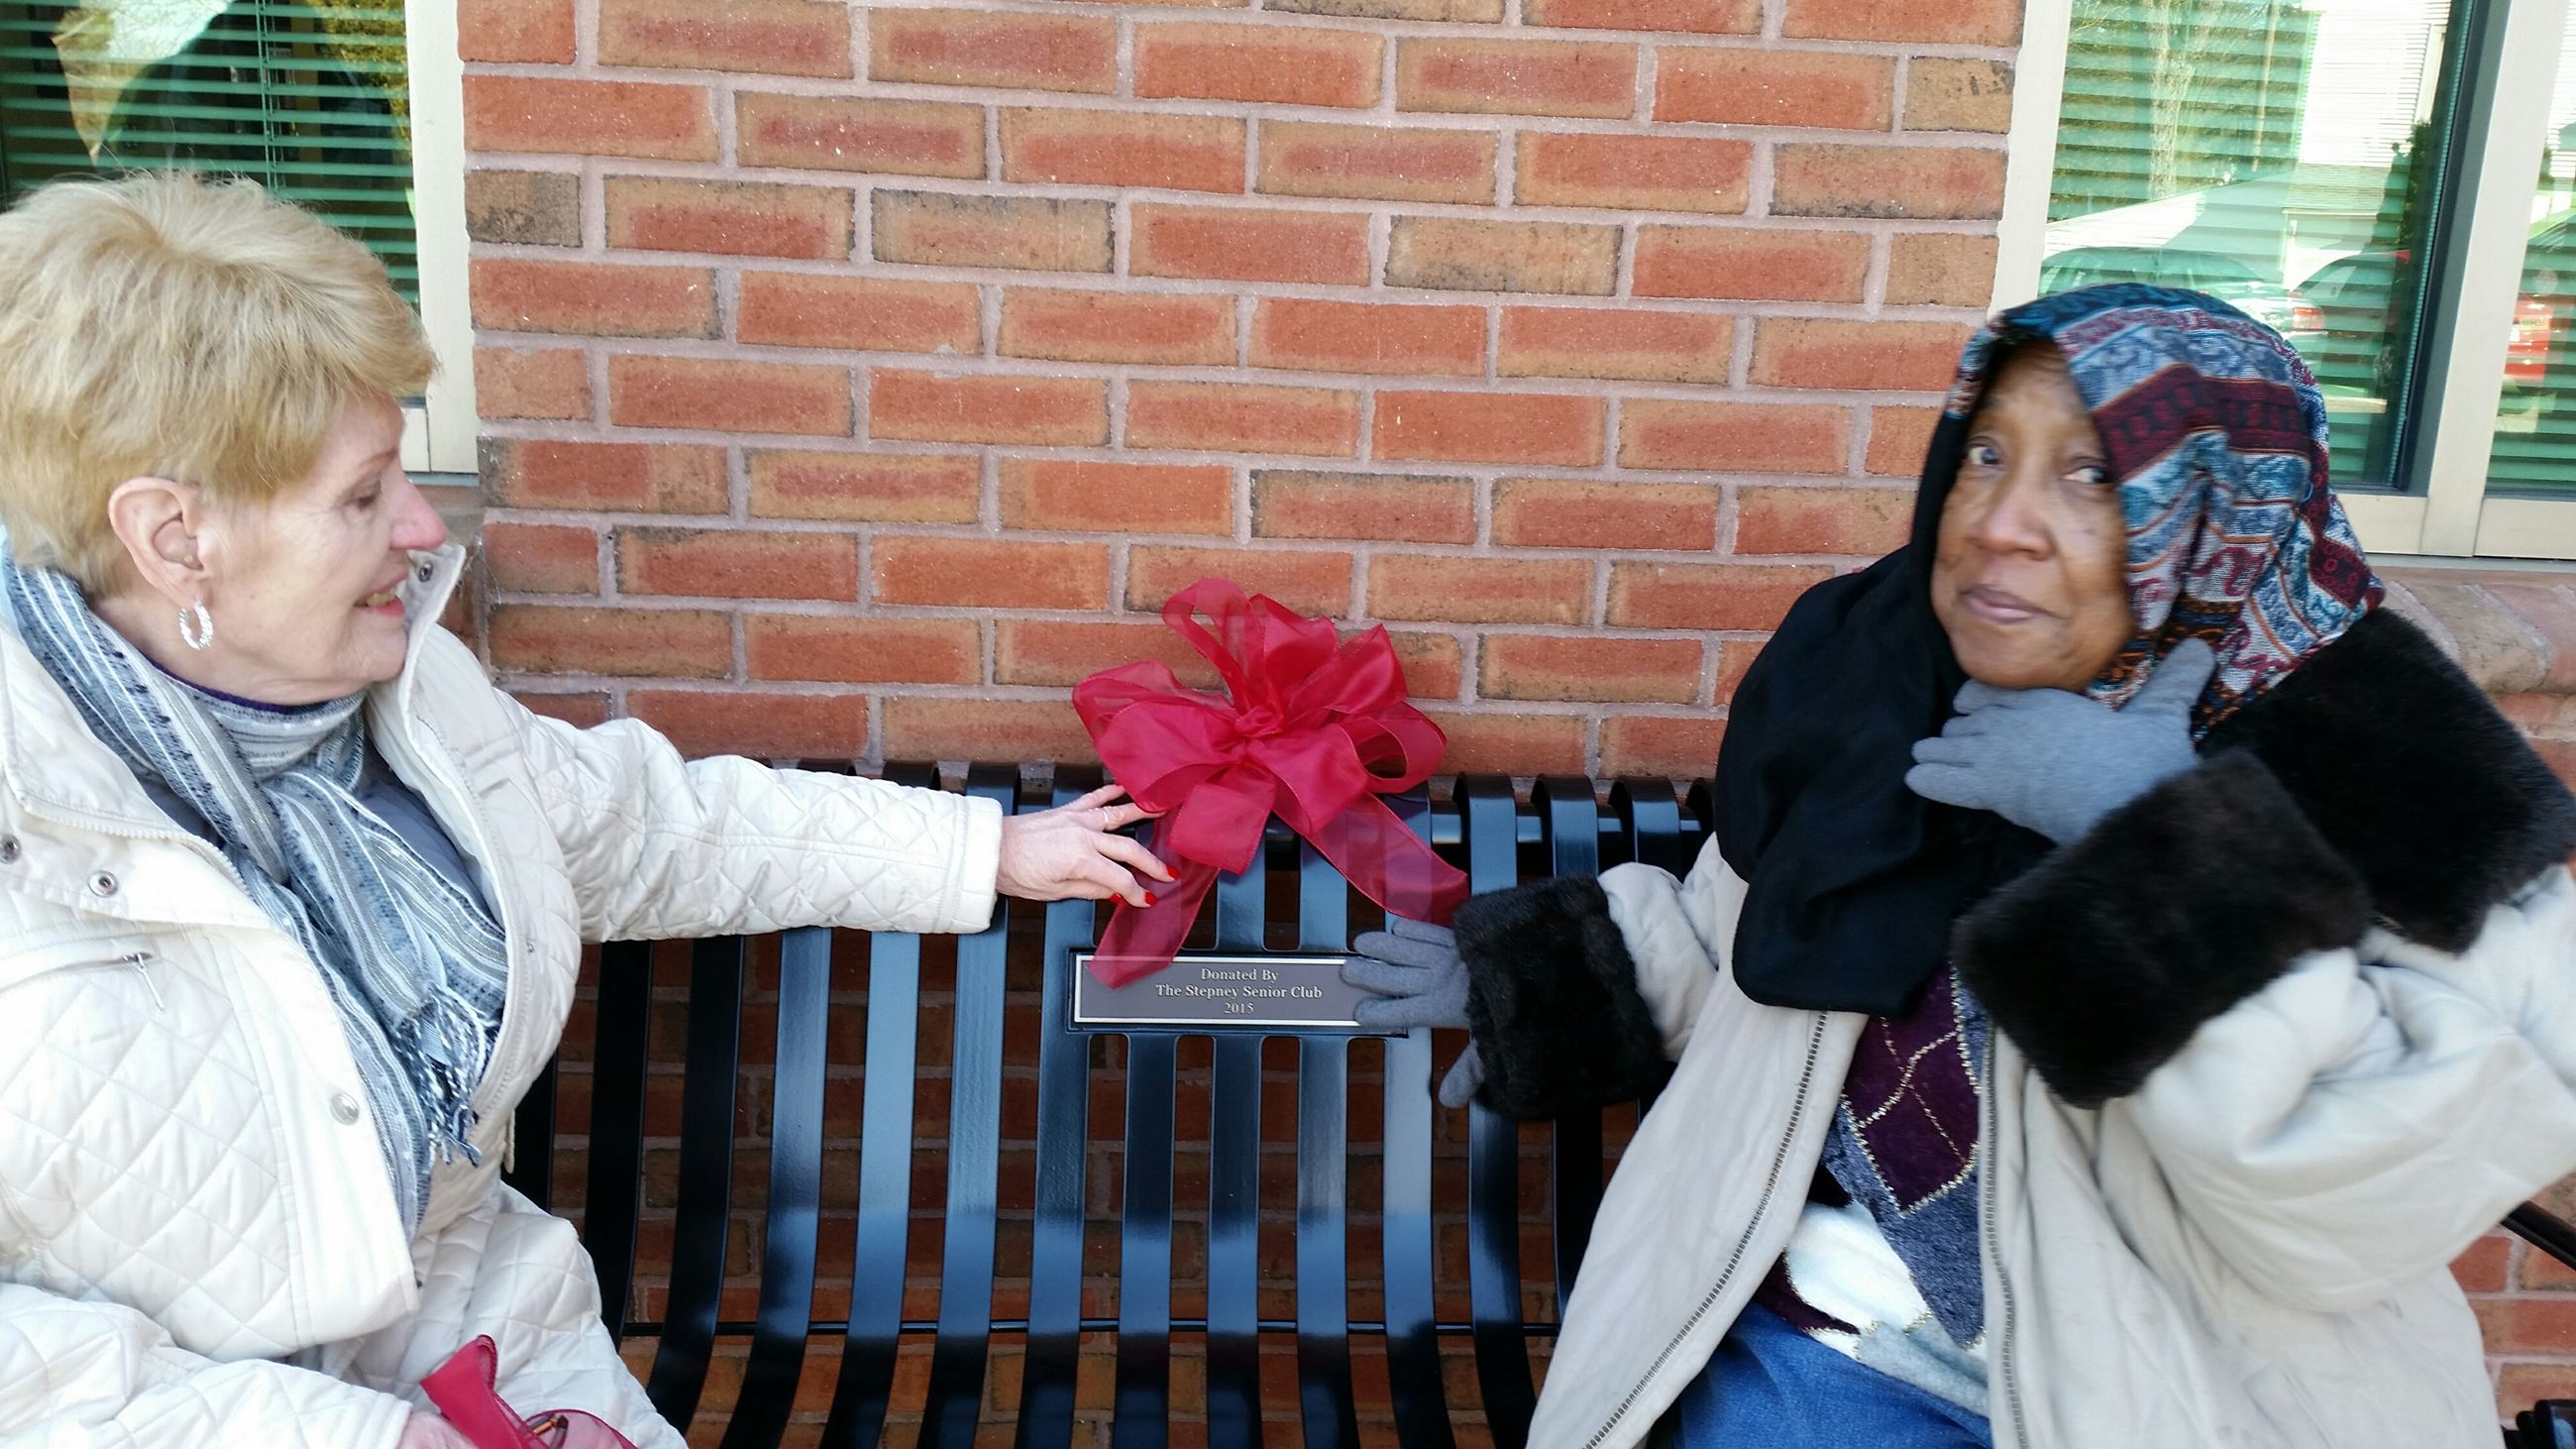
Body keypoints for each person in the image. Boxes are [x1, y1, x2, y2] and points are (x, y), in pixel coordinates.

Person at [0, 171, 1171, 1449]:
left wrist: (983, 849)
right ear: (175, 540)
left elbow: (647, 828)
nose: (421, 521)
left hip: (497, 1347)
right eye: (361, 492)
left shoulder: (411, 699)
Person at [1346, 283, 2576, 1447]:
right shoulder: (1874, 683)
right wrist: (1558, 981)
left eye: (2092, 474)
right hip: (1837, 1345)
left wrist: (2149, 834)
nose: (1998, 522)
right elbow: (1754, 963)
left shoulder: (2414, 797)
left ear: (2224, 507)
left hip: (2192, 1402)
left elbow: (2349, 1205)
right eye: (1985, 455)